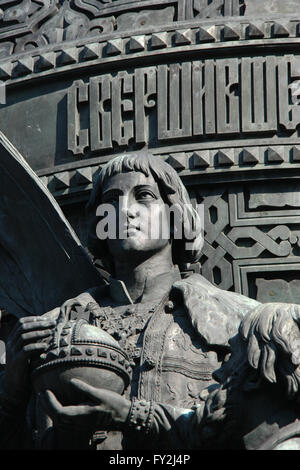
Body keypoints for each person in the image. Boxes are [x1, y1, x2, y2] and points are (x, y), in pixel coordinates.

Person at [0, 153, 259, 449]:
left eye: (144, 196)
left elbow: (257, 430)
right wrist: (11, 391)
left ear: (176, 215)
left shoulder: (238, 322)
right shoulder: (56, 325)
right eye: (111, 200)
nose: (124, 210)